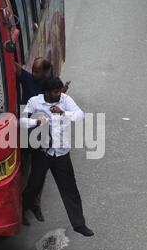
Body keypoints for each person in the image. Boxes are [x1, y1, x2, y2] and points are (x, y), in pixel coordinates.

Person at [20, 77, 94, 237]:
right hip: (43, 153)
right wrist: (36, 122)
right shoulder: (35, 102)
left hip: (61, 154)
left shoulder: (65, 100)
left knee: (70, 190)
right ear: (46, 92)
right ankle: (20, 212)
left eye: (60, 90)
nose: (59, 94)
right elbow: (22, 121)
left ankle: (79, 224)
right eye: (55, 92)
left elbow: (80, 115)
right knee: (33, 186)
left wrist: (63, 112)